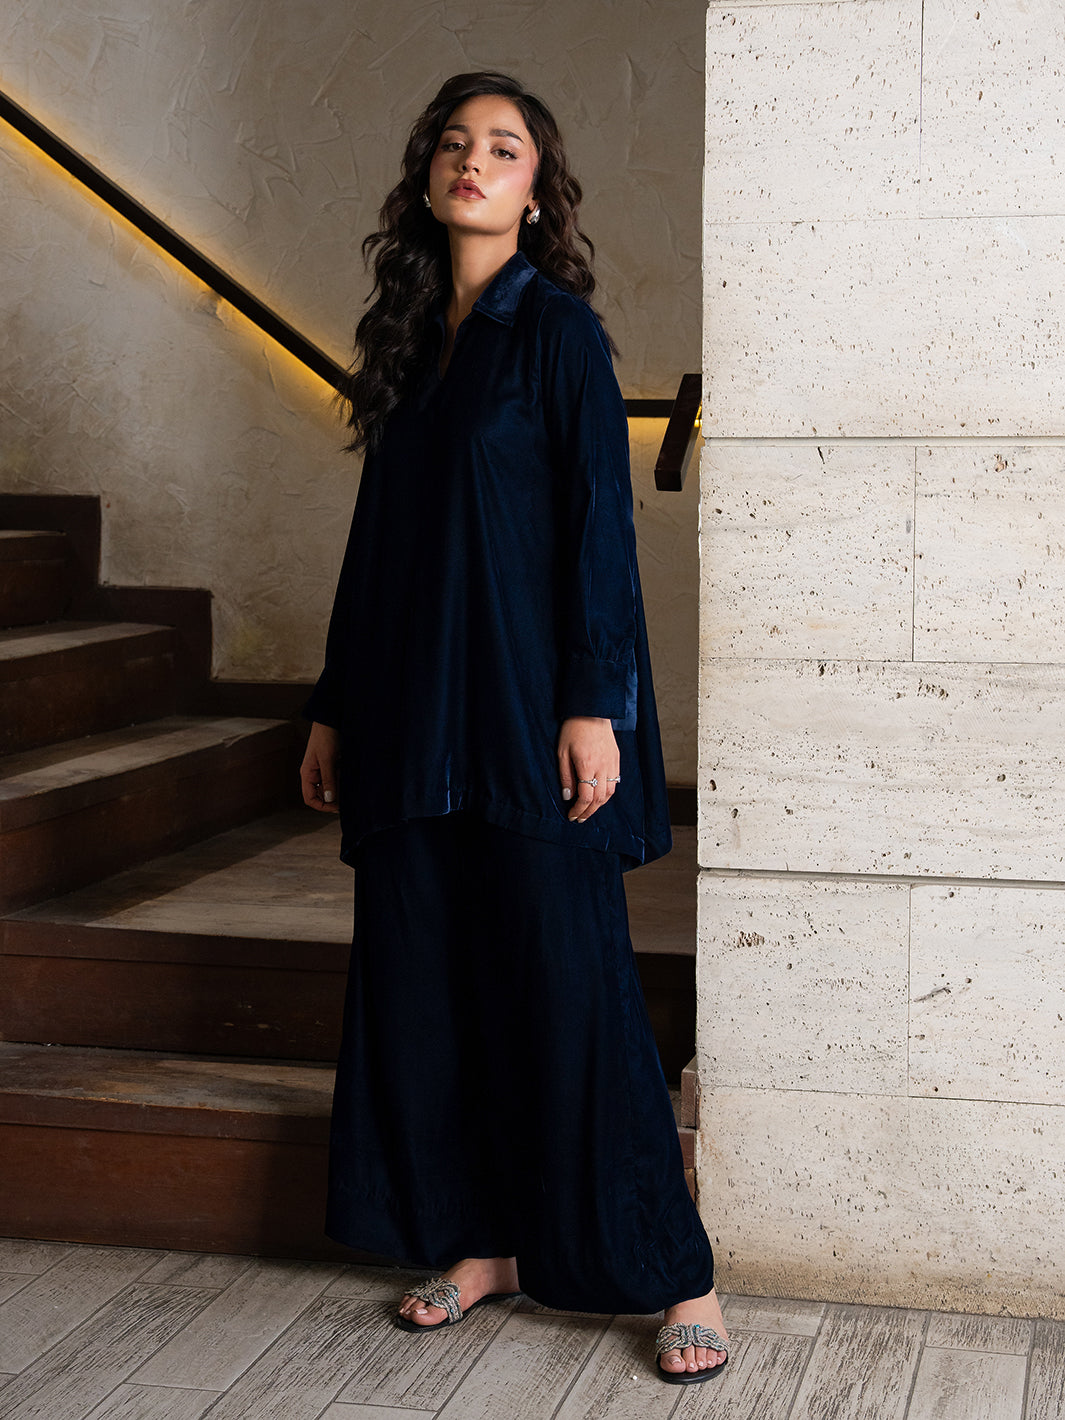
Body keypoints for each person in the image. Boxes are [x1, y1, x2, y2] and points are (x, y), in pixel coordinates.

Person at [300, 70, 729, 1386]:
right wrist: (330, 706)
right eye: (451, 144)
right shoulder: (411, 339)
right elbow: (378, 548)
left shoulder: (558, 333)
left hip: (528, 714)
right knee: (432, 985)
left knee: (571, 984)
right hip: (407, 714)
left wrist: (595, 705)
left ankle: (678, 1272)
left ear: (536, 189)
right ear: (426, 176)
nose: (470, 163)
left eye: (501, 148)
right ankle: (481, 1242)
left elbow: (600, 525)